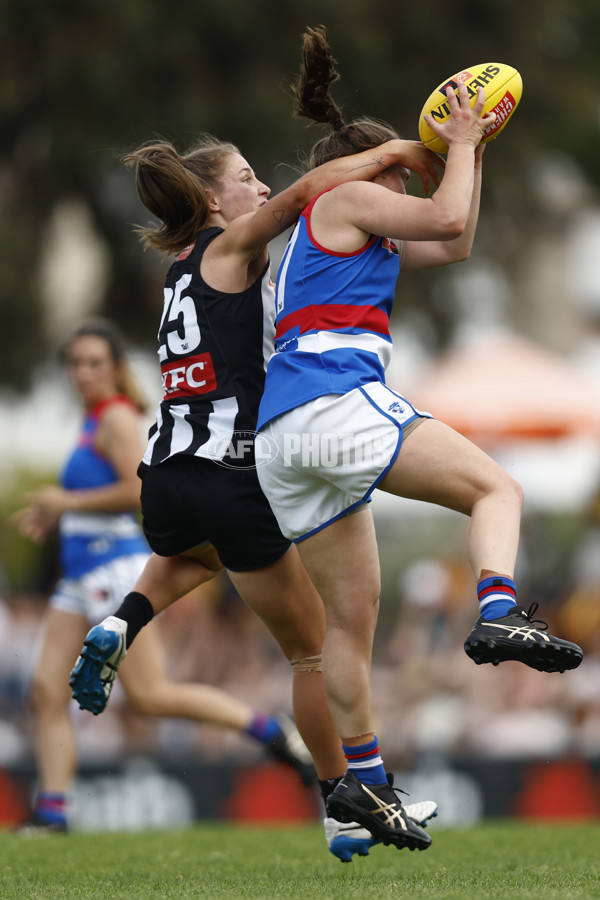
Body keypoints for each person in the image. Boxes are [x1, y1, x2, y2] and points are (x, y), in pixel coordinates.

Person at [68, 134, 442, 857]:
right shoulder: (229, 247)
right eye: (245, 179)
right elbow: (307, 194)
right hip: (234, 472)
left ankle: (123, 620)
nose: (262, 190)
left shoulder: (179, 270)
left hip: (167, 476)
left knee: (201, 556)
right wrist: (390, 150)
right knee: (310, 651)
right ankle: (347, 807)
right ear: (213, 200)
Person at [255, 26, 584, 847]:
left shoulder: (320, 237)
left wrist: (473, 151)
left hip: (285, 440)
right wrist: (459, 144)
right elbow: (443, 210)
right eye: (402, 171)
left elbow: (456, 233)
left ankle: (365, 788)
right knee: (495, 489)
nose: (407, 184)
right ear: (377, 167)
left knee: (351, 622)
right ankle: (500, 609)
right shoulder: (349, 197)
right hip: (334, 402)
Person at [11, 318, 317, 833]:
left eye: (94, 363)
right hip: (77, 574)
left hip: (114, 566)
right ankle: (53, 813)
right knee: (45, 692)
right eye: (75, 363)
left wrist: (64, 501)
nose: (83, 373)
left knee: (151, 697)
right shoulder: (89, 422)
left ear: (114, 370)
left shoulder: (115, 418)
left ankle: (267, 729)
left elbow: (137, 492)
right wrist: (61, 512)